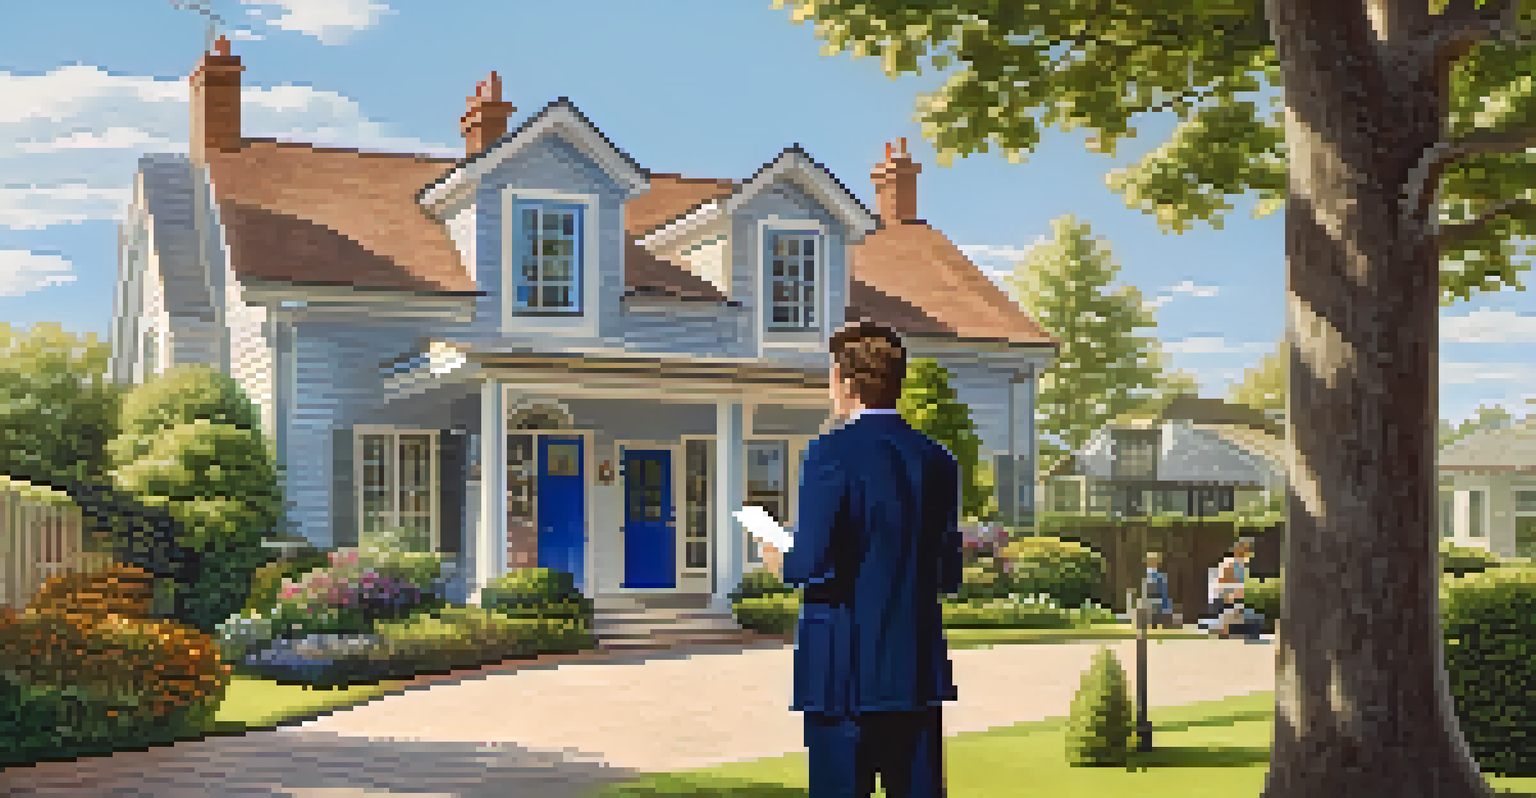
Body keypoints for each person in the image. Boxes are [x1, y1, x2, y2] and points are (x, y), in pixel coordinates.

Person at [753, 320, 961, 798]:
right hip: (915, 673)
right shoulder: (938, 459)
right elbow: (948, 573)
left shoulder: (830, 452)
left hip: (842, 676)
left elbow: (809, 565)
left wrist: (777, 557)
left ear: (845, 382)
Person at [1206, 537, 1256, 639]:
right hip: (1222, 599)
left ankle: (1223, 627)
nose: (1246, 553)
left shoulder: (1242, 565)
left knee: (1249, 618)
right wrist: (1229, 595)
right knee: (1232, 615)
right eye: (1244, 549)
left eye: (1248, 550)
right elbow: (1220, 583)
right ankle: (1218, 627)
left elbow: (1239, 587)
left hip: (1232, 601)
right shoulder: (1230, 562)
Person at [1142, 551, 1176, 629]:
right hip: (1150, 604)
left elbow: (1164, 594)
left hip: (1157, 604)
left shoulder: (1160, 577)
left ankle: (1159, 622)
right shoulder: (1148, 577)